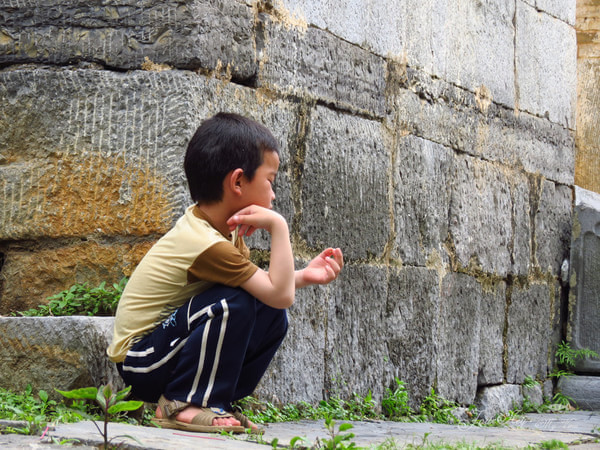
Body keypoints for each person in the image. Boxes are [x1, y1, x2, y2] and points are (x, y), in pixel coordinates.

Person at [107, 112, 344, 433]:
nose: (273, 194)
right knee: (234, 302)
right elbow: (279, 293)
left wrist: (305, 275)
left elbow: (270, 291)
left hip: (163, 355)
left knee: (270, 312)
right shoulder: (205, 243)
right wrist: (279, 226)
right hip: (141, 362)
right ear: (237, 181)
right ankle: (181, 403)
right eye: (270, 181)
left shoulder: (222, 232)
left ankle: (214, 401)